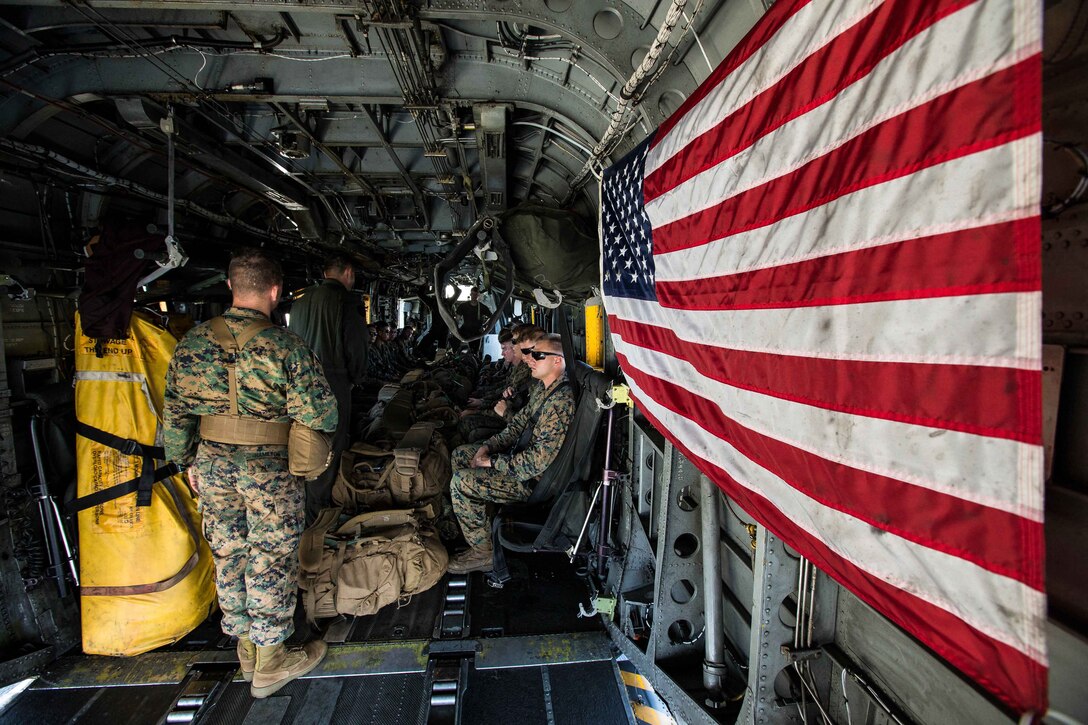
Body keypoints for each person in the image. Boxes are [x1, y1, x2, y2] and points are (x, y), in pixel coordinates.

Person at [164, 248, 337, 699]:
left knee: (230, 553)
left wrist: (187, 463)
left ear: (230, 287)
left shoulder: (192, 344)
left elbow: (176, 414)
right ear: (276, 291)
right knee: (271, 558)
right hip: (269, 467)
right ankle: (271, 661)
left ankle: (246, 650)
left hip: (213, 466)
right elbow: (318, 413)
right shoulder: (287, 346)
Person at [447, 333, 576, 573]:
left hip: (534, 483)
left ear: (557, 361)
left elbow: (536, 464)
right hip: (518, 462)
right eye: (530, 353)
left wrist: (492, 462)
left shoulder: (561, 403)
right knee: (461, 455)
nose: (530, 360)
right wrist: (489, 446)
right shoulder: (543, 389)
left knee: (461, 482)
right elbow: (518, 425)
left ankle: (483, 554)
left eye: (538, 355)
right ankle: (478, 525)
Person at [287, 254, 368, 523]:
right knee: (331, 449)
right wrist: (355, 378)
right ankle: (321, 516)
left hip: (298, 386)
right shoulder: (346, 301)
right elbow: (355, 347)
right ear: (348, 272)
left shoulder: (299, 303)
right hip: (333, 384)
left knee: (303, 446)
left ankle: (302, 509)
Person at [455, 287, 493, 352]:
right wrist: (455, 331)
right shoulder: (463, 306)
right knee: (458, 349)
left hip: (476, 333)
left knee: (474, 352)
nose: (474, 296)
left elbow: (491, 317)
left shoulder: (482, 307)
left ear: (478, 295)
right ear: (470, 294)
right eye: (472, 294)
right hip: (465, 331)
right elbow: (457, 320)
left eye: (475, 294)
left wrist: (484, 325)